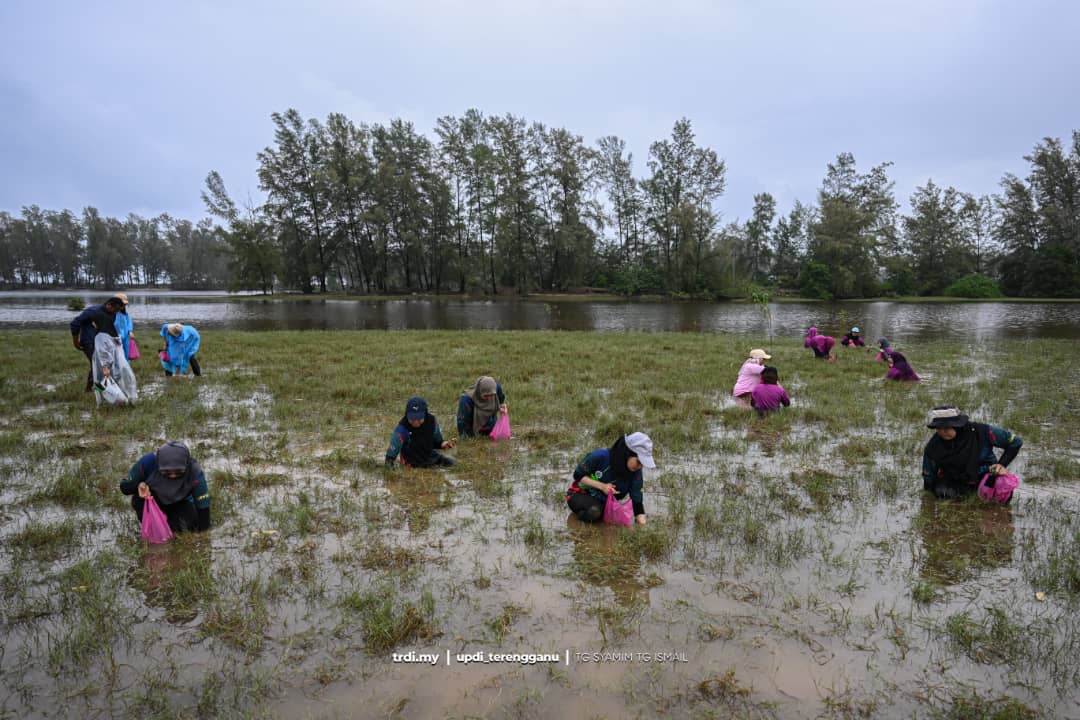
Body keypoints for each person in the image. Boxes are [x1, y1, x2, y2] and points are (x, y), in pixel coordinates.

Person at [922, 406, 1023, 501]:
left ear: (957, 426)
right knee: (942, 493)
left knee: (1001, 486)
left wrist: (1001, 465)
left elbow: (1015, 442)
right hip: (954, 479)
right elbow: (928, 474)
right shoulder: (934, 446)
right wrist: (928, 496)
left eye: (946, 428)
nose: (942, 432)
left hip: (985, 474)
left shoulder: (982, 432)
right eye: (939, 429)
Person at [120, 441, 211, 532]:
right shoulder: (148, 463)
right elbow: (125, 488)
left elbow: (203, 504)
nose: (173, 476)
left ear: (187, 464)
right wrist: (138, 485)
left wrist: (204, 531)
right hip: (152, 499)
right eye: (166, 472)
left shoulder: (194, 471)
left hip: (180, 502)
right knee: (154, 529)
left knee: (185, 527)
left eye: (178, 472)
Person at [565, 432, 655, 525]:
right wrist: (602, 486)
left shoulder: (636, 473)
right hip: (580, 494)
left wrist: (642, 524)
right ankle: (576, 523)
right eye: (639, 462)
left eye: (643, 464)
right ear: (627, 453)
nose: (640, 467)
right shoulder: (599, 456)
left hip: (604, 503)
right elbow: (578, 475)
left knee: (609, 519)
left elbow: (637, 501)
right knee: (594, 512)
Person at [70, 296, 124, 391]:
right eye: (115, 309)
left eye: (118, 311)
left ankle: (93, 389)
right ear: (109, 305)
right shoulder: (93, 311)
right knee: (97, 365)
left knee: (104, 364)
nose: (116, 312)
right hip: (89, 341)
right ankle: (97, 389)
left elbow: (109, 328)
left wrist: (115, 340)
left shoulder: (112, 314)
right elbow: (75, 323)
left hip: (102, 343)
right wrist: (75, 341)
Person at [385, 397, 457, 468]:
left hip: (429, 455)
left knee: (453, 462)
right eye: (412, 419)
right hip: (411, 461)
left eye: (419, 418)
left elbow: (437, 442)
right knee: (429, 469)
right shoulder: (402, 429)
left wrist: (443, 444)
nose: (416, 422)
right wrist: (389, 464)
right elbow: (390, 456)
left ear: (425, 413)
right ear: (407, 414)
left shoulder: (432, 421)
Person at [92, 330, 138, 404]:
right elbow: (103, 352)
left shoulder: (103, 336)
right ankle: (104, 400)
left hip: (107, 363)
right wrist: (105, 366)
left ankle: (106, 400)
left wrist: (105, 366)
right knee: (101, 380)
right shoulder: (103, 336)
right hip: (106, 363)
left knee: (101, 381)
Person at [112, 292, 137, 361]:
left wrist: (130, 331)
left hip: (125, 337)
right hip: (115, 337)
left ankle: (126, 365)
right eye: (122, 304)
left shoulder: (125, 314)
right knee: (116, 353)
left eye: (125, 305)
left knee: (126, 351)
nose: (124, 306)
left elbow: (129, 322)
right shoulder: (112, 313)